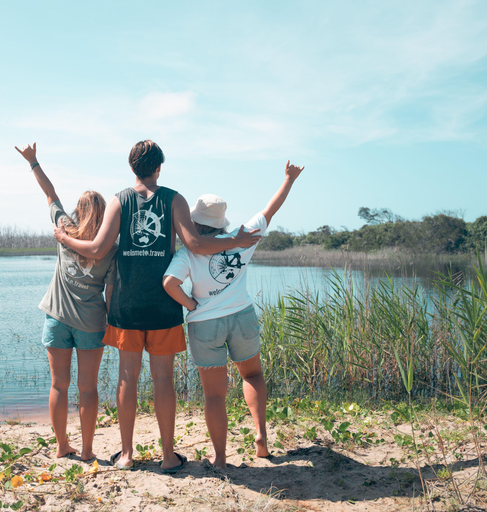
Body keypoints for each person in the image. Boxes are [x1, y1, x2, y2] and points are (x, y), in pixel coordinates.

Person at [53, 140, 261, 472]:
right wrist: (235, 241)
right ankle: (167, 456)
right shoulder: (174, 199)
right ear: (159, 168)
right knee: (163, 379)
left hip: (126, 306)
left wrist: (65, 238)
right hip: (163, 306)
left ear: (132, 167)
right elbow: (194, 243)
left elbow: (96, 248)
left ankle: (126, 455)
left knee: (127, 378)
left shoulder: (119, 201)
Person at [162, 160, 305, 468]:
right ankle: (261, 439)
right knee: (252, 374)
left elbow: (169, 283)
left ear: (196, 221)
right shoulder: (242, 238)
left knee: (215, 396)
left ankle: (221, 457)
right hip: (241, 316)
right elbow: (271, 209)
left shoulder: (189, 251)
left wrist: (191, 305)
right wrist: (289, 179)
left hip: (205, 324)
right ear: (221, 221)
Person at [15, 142, 117, 461]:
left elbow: (50, 193)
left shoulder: (64, 229)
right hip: (91, 325)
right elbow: (111, 294)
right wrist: (112, 325)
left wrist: (33, 162)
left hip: (56, 319)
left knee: (59, 385)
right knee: (87, 389)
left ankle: (62, 447)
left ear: (78, 210)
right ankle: (87, 451)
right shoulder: (110, 249)